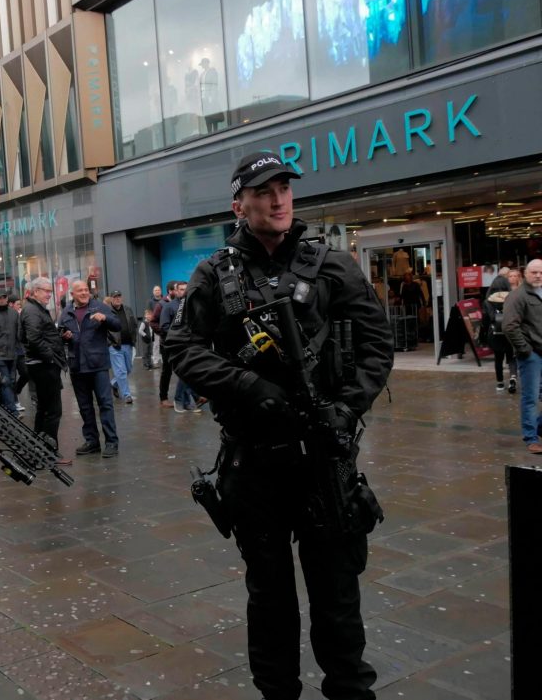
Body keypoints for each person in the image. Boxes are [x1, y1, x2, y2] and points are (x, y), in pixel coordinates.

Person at [166, 151, 393, 700]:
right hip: (255, 465)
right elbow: (181, 345)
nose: (279, 198)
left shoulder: (333, 265)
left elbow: (376, 345)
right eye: (265, 190)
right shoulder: (214, 273)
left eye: (285, 187)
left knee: (338, 600)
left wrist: (346, 409)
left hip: (323, 462)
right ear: (238, 204)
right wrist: (247, 387)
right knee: (269, 599)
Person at [59, 280, 121, 458]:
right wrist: (64, 337)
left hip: (98, 364)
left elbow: (117, 325)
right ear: (73, 294)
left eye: (86, 290)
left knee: (105, 404)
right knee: (85, 407)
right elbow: (60, 335)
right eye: (80, 291)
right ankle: (92, 441)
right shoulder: (66, 312)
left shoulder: (99, 306)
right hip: (77, 366)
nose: (84, 293)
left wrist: (106, 318)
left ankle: (111, 442)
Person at [19, 277, 70, 464]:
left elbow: (37, 336)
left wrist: (59, 337)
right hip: (44, 365)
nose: (49, 294)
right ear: (35, 292)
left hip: (41, 364)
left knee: (43, 408)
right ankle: (49, 451)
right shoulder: (32, 310)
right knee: (53, 410)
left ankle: (38, 449)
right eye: (46, 290)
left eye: (50, 290)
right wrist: (50, 356)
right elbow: (33, 338)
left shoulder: (35, 309)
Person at [503, 259, 542, 454]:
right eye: (534, 272)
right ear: (525, 274)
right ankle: (531, 438)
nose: (538, 275)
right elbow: (509, 326)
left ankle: (538, 427)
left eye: (541, 272)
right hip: (531, 355)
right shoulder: (518, 296)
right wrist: (525, 349)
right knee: (531, 397)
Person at [160, 281, 200, 412]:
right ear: (176, 291)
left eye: (186, 289)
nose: (184, 291)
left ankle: (187, 402)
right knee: (183, 372)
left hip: (190, 344)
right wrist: (178, 335)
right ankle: (179, 400)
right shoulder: (169, 307)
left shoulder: (191, 305)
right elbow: (163, 327)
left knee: (190, 372)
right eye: (181, 289)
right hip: (174, 346)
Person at [483, 288, 516, 393]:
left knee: (498, 358)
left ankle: (500, 383)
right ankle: (512, 378)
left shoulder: (488, 302)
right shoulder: (513, 299)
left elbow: (487, 319)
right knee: (511, 357)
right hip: (510, 332)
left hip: (495, 334)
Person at [107, 290, 136, 404]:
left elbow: (133, 324)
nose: (117, 298)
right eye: (115, 297)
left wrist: (134, 339)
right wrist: (109, 342)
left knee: (128, 369)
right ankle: (127, 395)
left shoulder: (128, 309)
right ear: (111, 299)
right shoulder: (107, 311)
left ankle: (114, 383)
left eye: (119, 296)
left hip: (128, 344)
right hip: (115, 346)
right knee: (121, 371)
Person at [152, 281, 175, 406]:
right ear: (171, 291)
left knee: (185, 368)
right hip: (166, 343)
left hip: (180, 342)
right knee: (167, 371)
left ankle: (194, 396)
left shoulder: (181, 303)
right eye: (177, 290)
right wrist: (164, 332)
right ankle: (163, 398)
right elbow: (153, 322)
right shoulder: (161, 304)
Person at [9, 295, 29, 411]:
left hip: (20, 351)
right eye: (18, 304)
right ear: (11, 304)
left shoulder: (20, 315)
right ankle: (15, 401)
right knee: (12, 377)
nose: (19, 307)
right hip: (10, 351)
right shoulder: (8, 316)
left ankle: (16, 391)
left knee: (26, 373)